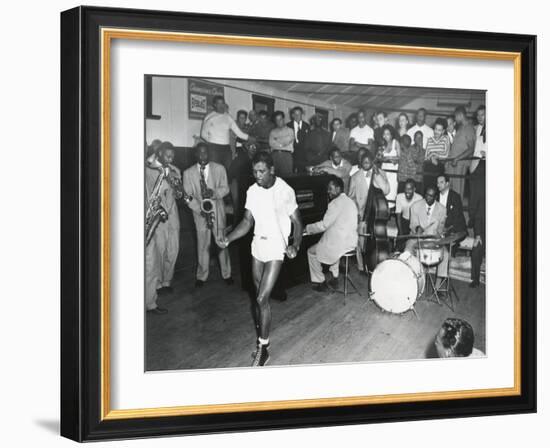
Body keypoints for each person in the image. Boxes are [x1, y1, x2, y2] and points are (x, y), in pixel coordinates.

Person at [216, 151, 303, 366]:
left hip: (276, 246)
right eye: (254, 171)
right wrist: (228, 239)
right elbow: (246, 222)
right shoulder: (252, 191)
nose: (257, 175)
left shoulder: (285, 190)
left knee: (262, 298)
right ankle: (264, 342)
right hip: (258, 245)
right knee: (258, 298)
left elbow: (298, 222)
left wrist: (296, 244)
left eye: (261, 171)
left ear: (272, 170)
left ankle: (263, 348)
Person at [183, 143, 233, 287]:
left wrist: (214, 193)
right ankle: (201, 276)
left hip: (217, 210)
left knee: (222, 242)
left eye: (205, 153)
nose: (203, 156)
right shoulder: (188, 173)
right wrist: (200, 210)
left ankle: (227, 273)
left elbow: (226, 188)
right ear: (195, 155)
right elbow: (187, 196)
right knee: (202, 244)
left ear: (209, 154)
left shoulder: (219, 168)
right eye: (200, 153)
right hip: (199, 213)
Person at [145, 142, 183, 314]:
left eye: (172, 156)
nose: (170, 159)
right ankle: (157, 284)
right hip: (156, 214)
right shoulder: (149, 170)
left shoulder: (175, 169)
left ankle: (167, 281)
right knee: (158, 250)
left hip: (171, 211)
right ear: (159, 154)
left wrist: (176, 185)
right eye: (167, 156)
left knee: (173, 248)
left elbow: (179, 193)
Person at [305, 176, 358, 291]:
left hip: (340, 244)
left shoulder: (335, 203)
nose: (328, 191)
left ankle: (319, 281)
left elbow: (324, 225)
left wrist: (307, 228)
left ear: (338, 189)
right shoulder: (350, 202)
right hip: (351, 242)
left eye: (330, 188)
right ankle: (334, 277)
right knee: (331, 244)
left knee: (311, 252)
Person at [348, 151, 390, 273]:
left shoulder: (380, 173)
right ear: (361, 163)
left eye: (368, 162)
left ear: (372, 162)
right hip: (362, 214)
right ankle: (362, 266)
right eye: (364, 162)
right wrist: (357, 213)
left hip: (376, 213)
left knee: (375, 240)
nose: (366, 164)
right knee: (361, 242)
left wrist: (377, 175)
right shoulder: (355, 177)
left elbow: (386, 191)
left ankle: (377, 265)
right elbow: (351, 197)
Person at [404, 186, 448, 287]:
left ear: (436, 197)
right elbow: (412, 224)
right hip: (416, 237)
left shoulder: (442, 209)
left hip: (433, 238)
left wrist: (440, 233)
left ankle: (437, 287)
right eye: (427, 195)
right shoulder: (415, 206)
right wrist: (417, 227)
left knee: (445, 254)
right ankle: (409, 281)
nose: (428, 198)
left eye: (431, 196)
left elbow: (441, 229)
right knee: (407, 250)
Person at [200, 95, 254, 171]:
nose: (221, 105)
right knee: (215, 170)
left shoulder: (228, 117)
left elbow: (238, 132)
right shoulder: (210, 117)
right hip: (214, 148)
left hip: (226, 148)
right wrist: (211, 142)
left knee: (227, 170)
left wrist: (249, 138)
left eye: (222, 103)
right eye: (218, 103)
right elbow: (203, 134)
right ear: (215, 105)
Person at [469, 105, 486, 288]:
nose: (480, 117)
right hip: (478, 165)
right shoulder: (479, 129)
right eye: (478, 114)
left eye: (483, 114)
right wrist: (479, 232)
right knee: (476, 202)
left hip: (487, 163)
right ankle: (475, 278)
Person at [447, 106, 476, 198]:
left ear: (460, 115)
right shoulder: (460, 128)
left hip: (460, 164)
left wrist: (457, 158)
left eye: (455, 116)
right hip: (452, 163)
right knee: (450, 190)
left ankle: (457, 212)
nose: (455, 119)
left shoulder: (469, 128)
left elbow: (471, 148)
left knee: (457, 191)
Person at [228, 139, 257, 221]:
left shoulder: (257, 160)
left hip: (251, 187)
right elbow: (230, 176)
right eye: (250, 146)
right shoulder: (239, 159)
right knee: (239, 207)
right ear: (246, 148)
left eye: (255, 146)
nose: (253, 148)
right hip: (239, 185)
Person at [436, 173, 467, 238]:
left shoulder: (455, 197)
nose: (438, 185)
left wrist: (446, 229)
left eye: (441, 182)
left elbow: (457, 217)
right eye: (437, 182)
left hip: (454, 229)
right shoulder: (436, 197)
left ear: (447, 183)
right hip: (440, 228)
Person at [424, 118, 451, 191]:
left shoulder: (446, 139)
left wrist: (433, 154)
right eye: (435, 129)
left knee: (438, 192)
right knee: (428, 191)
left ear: (443, 131)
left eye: (439, 130)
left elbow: (446, 155)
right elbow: (426, 157)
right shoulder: (429, 140)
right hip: (428, 170)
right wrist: (432, 157)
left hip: (440, 169)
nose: (436, 132)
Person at [395, 179, 423, 244]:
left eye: (410, 189)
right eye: (405, 188)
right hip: (403, 222)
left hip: (415, 223)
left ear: (414, 189)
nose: (407, 191)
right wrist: (400, 233)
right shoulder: (399, 197)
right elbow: (398, 217)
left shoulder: (419, 198)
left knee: (412, 244)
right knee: (400, 244)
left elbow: (420, 217)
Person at [269, 110, 295, 176]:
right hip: (274, 156)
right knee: (275, 178)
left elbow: (287, 141)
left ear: (283, 119)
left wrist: (277, 140)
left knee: (287, 178)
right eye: (277, 120)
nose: (279, 121)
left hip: (286, 156)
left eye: (280, 119)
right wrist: (281, 143)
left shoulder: (290, 130)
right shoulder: (272, 132)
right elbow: (271, 143)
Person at [379, 124, 400, 205]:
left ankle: (391, 212)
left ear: (391, 135)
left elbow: (399, 157)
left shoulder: (396, 143)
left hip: (393, 172)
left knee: (392, 192)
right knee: (384, 191)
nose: (385, 136)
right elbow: (379, 158)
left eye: (387, 134)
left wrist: (388, 158)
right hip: (384, 171)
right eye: (384, 134)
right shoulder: (382, 145)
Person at [287, 106, 310, 173]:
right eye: (295, 114)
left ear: (302, 115)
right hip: (292, 155)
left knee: (303, 174)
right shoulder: (288, 126)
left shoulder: (307, 126)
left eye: (299, 114)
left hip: (303, 155)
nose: (297, 116)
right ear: (292, 115)